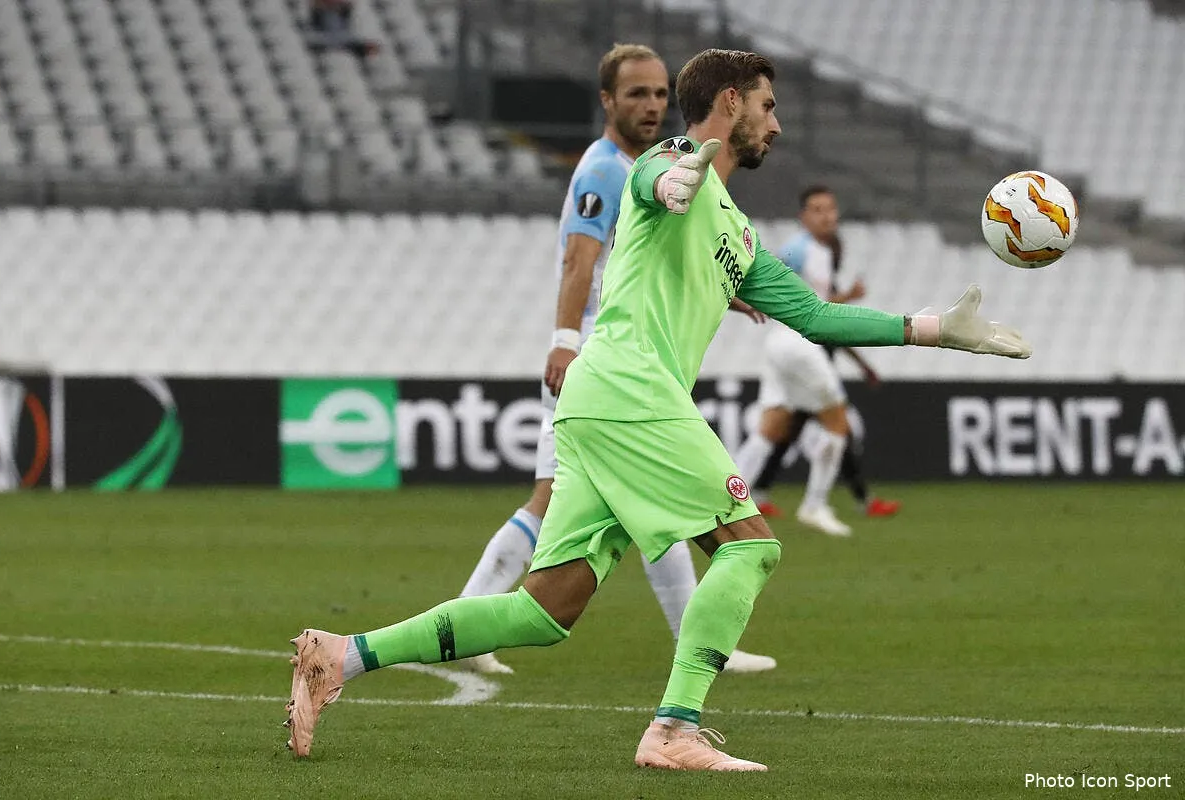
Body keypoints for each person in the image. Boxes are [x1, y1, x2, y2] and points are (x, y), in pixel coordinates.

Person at [284, 48, 1030, 771]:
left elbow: (819, 317)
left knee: (544, 613)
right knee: (751, 545)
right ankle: (675, 728)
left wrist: (934, 330)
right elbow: (651, 181)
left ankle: (342, 654)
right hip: (632, 393)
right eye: (768, 106)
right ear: (730, 102)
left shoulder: (738, 231)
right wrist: (672, 185)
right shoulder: (670, 161)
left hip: (602, 402)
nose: (778, 125)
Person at [457, 43, 774, 676]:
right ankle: (472, 612)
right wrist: (565, 340)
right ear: (607, 101)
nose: (653, 105)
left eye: (660, 93)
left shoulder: (648, 166)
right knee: (557, 498)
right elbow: (580, 259)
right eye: (637, 94)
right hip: (602, 359)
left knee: (625, 502)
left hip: (624, 358)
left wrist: (727, 291)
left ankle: (476, 616)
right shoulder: (606, 169)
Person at [735, 185, 899, 536]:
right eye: (817, 209)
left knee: (770, 428)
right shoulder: (800, 249)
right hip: (796, 344)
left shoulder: (818, 252)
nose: (826, 216)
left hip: (780, 344)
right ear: (803, 217)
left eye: (830, 209)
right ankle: (814, 505)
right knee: (839, 423)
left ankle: (728, 498)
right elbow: (808, 307)